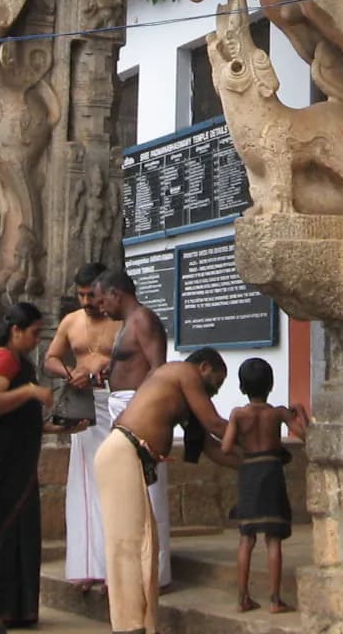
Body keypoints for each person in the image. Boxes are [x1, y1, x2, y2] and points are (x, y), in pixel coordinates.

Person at [0, 302, 89, 625]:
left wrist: (57, 427)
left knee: (18, 535)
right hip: (2, 462)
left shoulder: (20, 361)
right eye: (31, 333)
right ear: (15, 331)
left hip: (20, 463)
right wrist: (30, 391)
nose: (35, 340)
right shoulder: (2, 357)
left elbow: (21, 420)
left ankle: (13, 608)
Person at [95, 349, 236, 634]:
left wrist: (258, 462)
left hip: (131, 459)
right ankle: (128, 625)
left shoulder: (182, 393)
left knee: (148, 543)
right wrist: (261, 435)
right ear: (204, 367)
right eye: (215, 383)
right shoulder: (183, 372)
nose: (215, 392)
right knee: (127, 546)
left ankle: (145, 623)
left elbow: (212, 448)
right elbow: (216, 424)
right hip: (122, 454)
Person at [95, 269, 174, 589]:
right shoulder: (126, 325)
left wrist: (142, 414)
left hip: (138, 415)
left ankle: (154, 574)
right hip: (122, 409)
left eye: (103, 299)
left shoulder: (143, 320)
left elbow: (158, 370)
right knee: (128, 496)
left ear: (117, 293)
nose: (101, 307)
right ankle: (135, 573)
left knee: (149, 495)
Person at [43, 261, 119, 591]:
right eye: (81, 295)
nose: (87, 301)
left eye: (92, 295)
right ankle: (88, 566)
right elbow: (50, 358)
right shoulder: (71, 321)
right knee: (86, 485)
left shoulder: (121, 321)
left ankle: (115, 565)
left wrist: (105, 368)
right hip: (83, 403)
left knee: (115, 481)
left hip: (114, 401)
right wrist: (68, 372)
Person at [221, 358, 307, 615]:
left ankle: (242, 598)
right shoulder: (277, 413)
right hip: (271, 472)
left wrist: (246, 450)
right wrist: (301, 413)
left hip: (250, 472)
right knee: (273, 539)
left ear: (241, 387)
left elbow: (225, 447)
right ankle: (274, 600)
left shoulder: (238, 414)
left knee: (246, 538)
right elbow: (304, 435)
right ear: (271, 385)